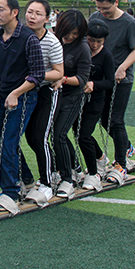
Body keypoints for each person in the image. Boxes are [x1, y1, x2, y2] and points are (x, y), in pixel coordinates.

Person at [0, 0, 44, 214]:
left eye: (0, 9)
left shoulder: (28, 38)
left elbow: (38, 75)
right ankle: (28, 179)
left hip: (23, 98)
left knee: (8, 141)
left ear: (14, 12)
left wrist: (16, 93)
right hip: (3, 95)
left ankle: (10, 191)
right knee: (6, 142)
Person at [90, 0, 135, 182]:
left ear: (116, 3)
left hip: (121, 78)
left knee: (116, 120)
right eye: (99, 8)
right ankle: (126, 146)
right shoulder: (95, 18)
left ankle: (121, 164)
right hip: (101, 79)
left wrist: (123, 67)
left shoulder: (128, 23)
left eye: (106, 9)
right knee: (103, 120)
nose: (102, 12)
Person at [20, 0, 64, 204]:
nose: (32, 16)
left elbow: (59, 73)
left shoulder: (51, 41)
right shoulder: (20, 36)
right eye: (29, 12)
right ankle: (52, 171)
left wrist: (35, 76)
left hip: (47, 92)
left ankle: (47, 182)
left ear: (47, 19)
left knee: (39, 138)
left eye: (38, 13)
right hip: (26, 93)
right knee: (29, 138)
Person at [50, 10, 91, 199]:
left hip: (72, 96)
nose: (71, 37)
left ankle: (68, 178)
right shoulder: (55, 40)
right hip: (54, 94)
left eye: (75, 33)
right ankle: (74, 166)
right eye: (68, 32)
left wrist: (63, 79)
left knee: (59, 134)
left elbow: (82, 79)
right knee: (53, 134)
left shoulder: (82, 47)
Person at [74, 19, 115, 191]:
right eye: (91, 40)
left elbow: (110, 82)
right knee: (77, 133)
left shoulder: (106, 56)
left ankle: (94, 173)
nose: (95, 44)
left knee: (84, 135)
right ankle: (100, 157)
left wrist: (94, 84)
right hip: (77, 99)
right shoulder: (81, 50)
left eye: (99, 41)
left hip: (95, 101)